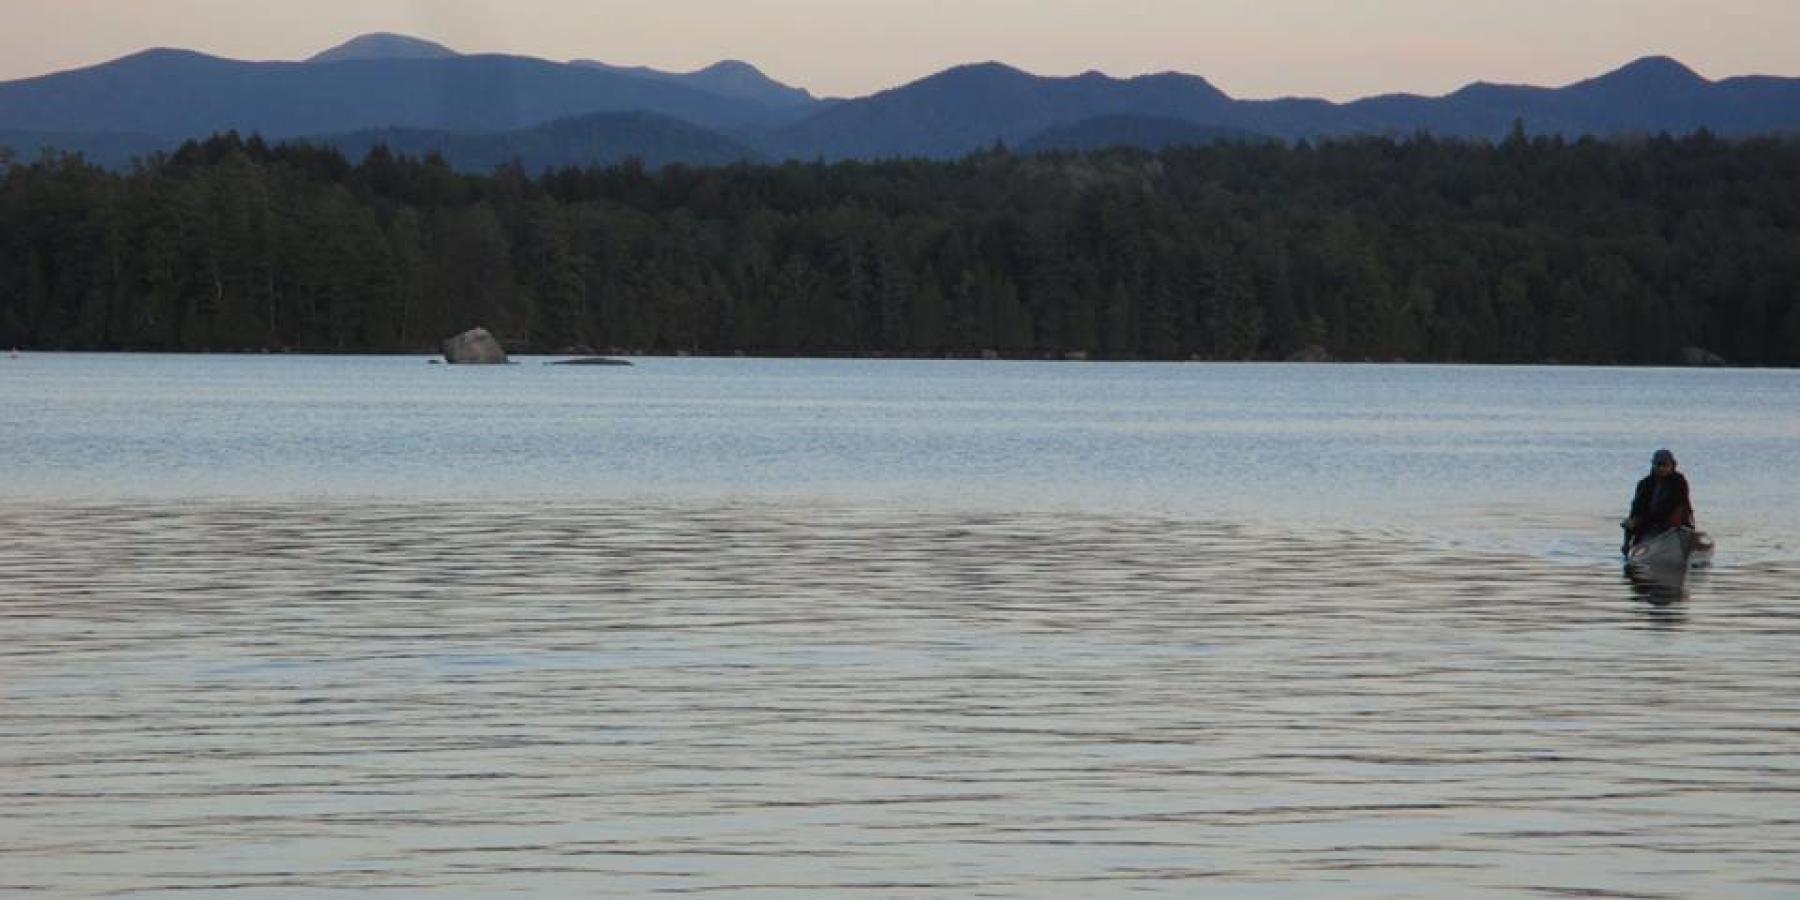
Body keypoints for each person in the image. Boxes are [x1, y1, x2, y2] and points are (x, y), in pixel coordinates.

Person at [1622, 448, 1694, 554]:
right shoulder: (1644, 484)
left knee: (1678, 511)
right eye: (1658, 465)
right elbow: (1636, 508)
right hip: (1649, 525)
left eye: (1665, 465)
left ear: (1672, 466)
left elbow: (1672, 505)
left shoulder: (1679, 482)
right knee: (1630, 522)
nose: (1661, 468)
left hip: (1674, 525)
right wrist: (1632, 524)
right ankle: (1631, 546)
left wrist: (1644, 520)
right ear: (1653, 465)